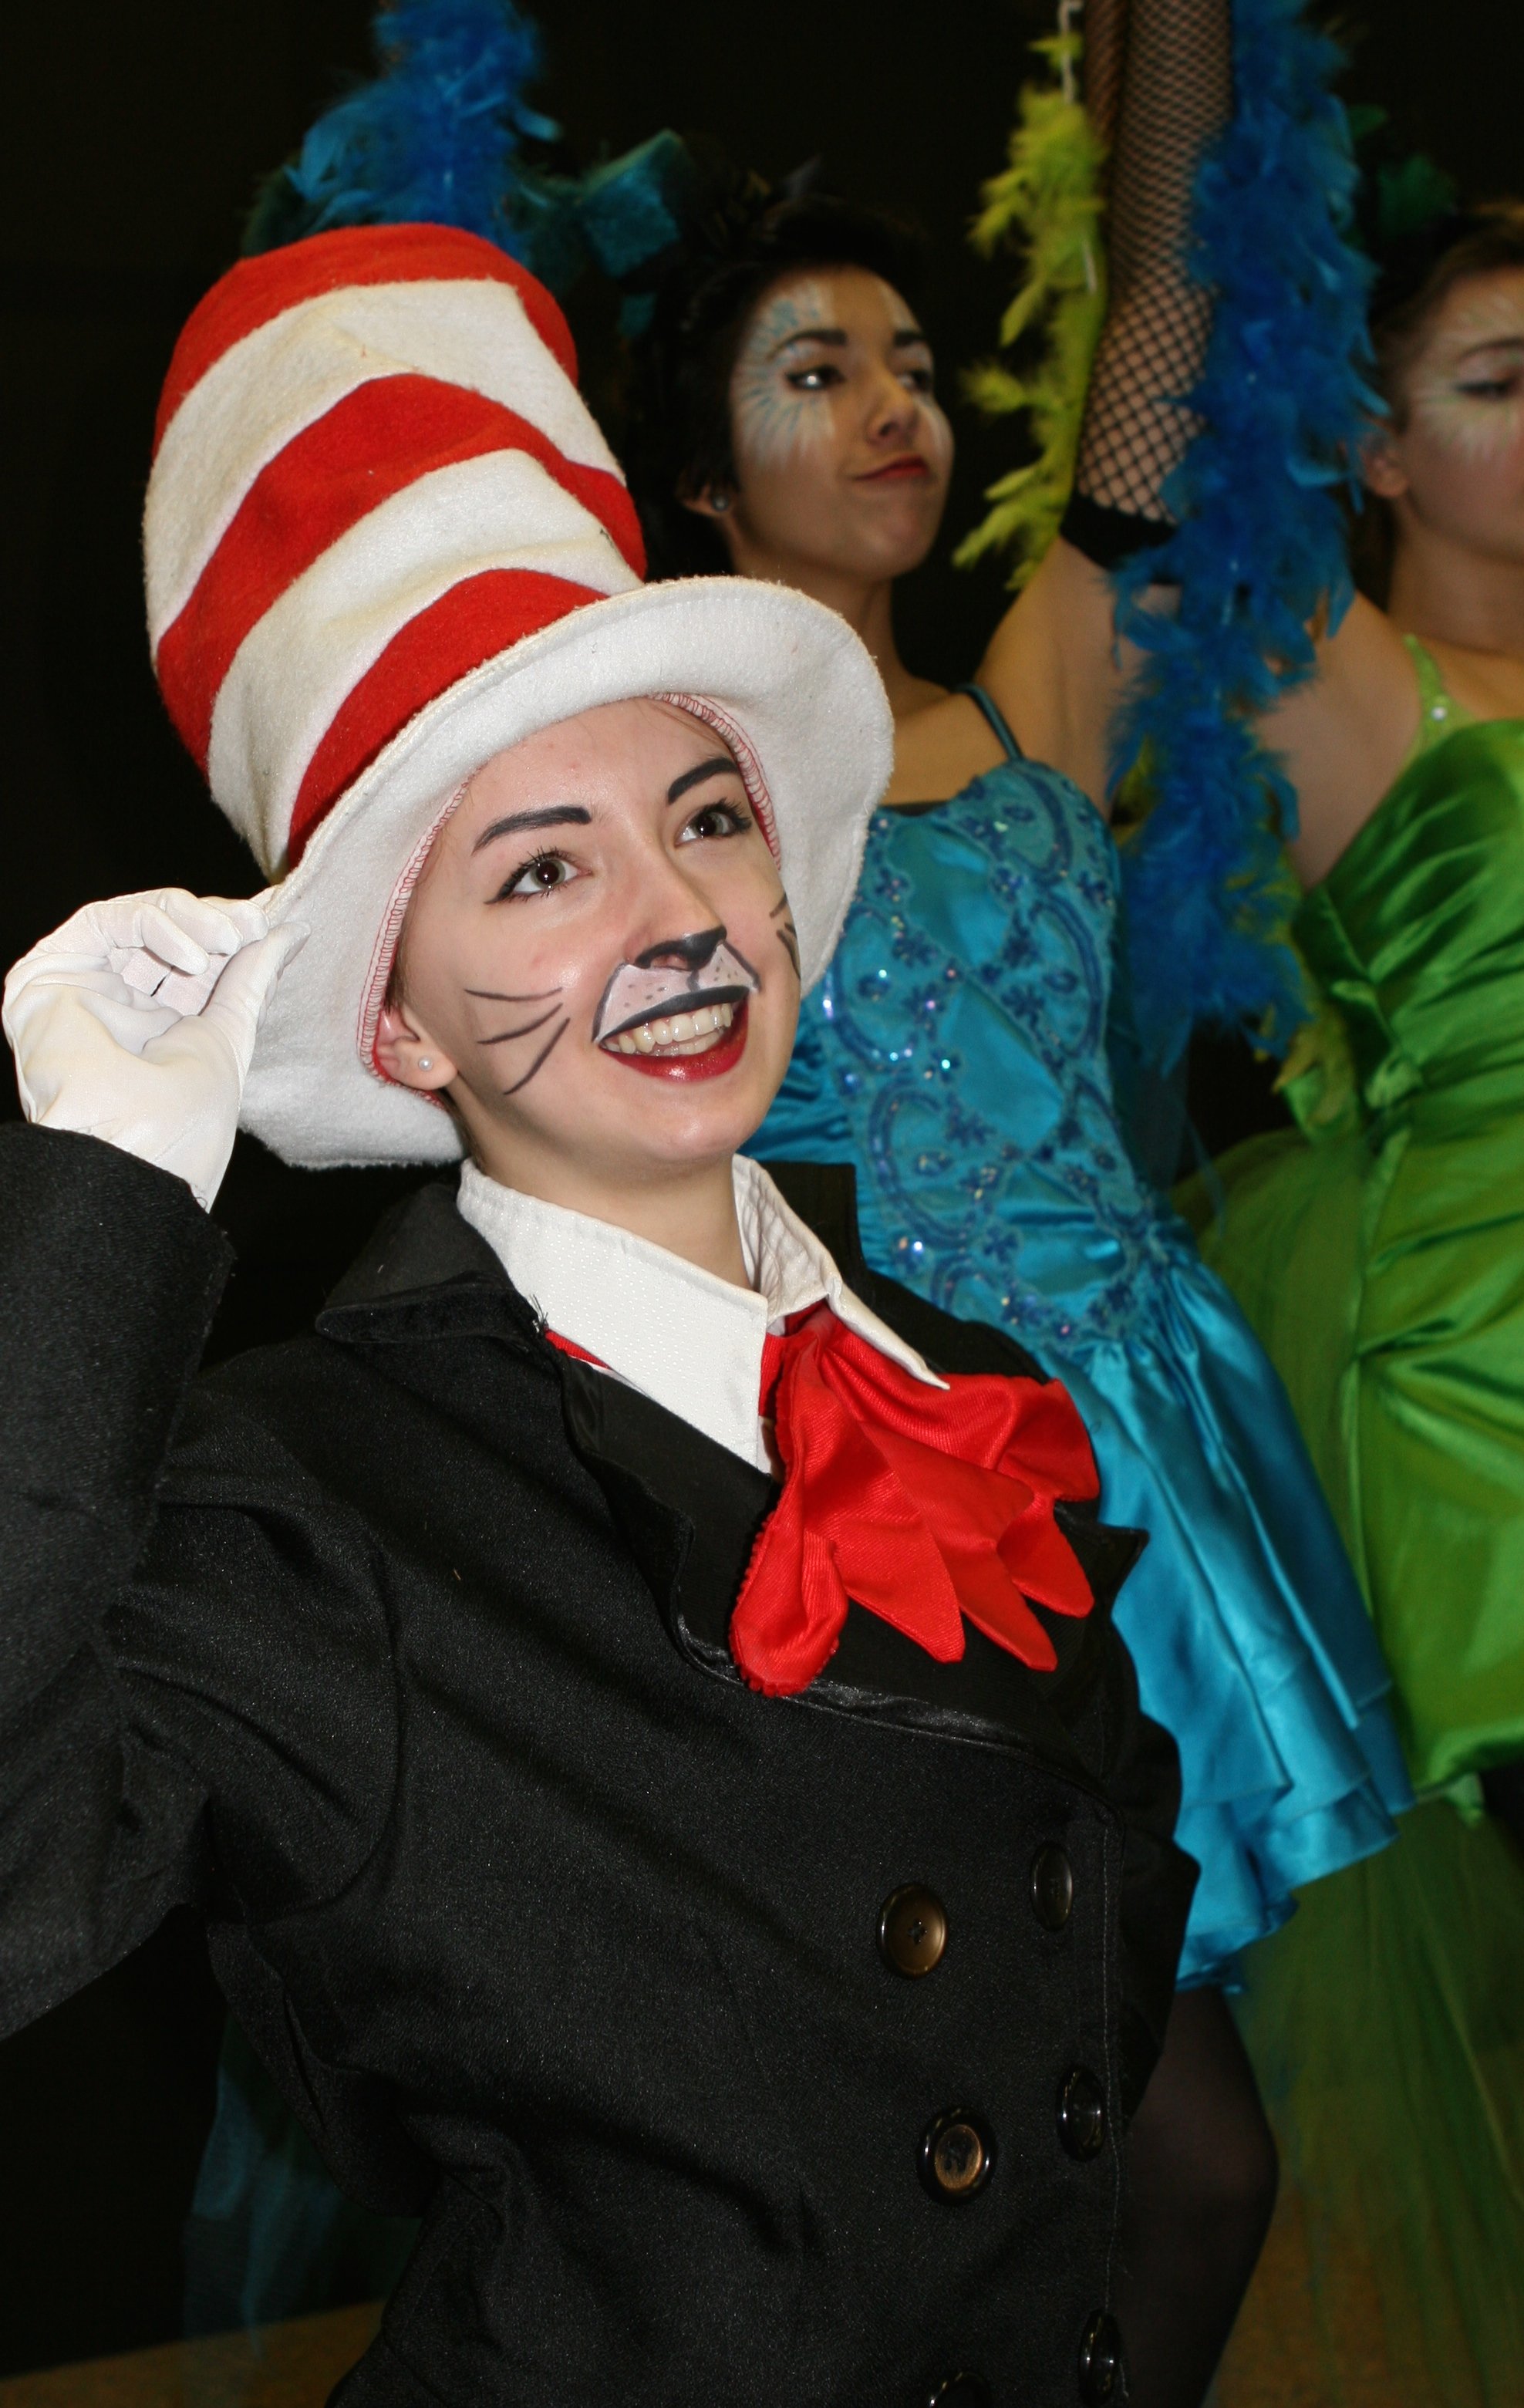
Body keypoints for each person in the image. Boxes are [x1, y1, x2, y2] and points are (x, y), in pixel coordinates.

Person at [0, 220, 1197, 2407]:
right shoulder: (316, 1498)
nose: (675, 923)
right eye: (541, 869)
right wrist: (98, 1199)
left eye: (705, 815)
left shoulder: (967, 1384)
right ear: (404, 1015)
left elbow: (1104, 1983)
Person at [614, 5, 1409, 2398]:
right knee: (1035, 2160)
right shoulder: (669, 805)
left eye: (912, 359)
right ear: (696, 486)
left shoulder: (1033, 677)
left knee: (1157, 2163)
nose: (893, 401)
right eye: (810, 367)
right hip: (899, 1518)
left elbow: (1161, 291)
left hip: (1144, 1481)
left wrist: (1170, 26)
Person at [1184, 195, 1524, 2406]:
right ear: (1374, 447)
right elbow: (1182, 397)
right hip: (1490, 1391)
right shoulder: (1333, 668)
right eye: (1500, 387)